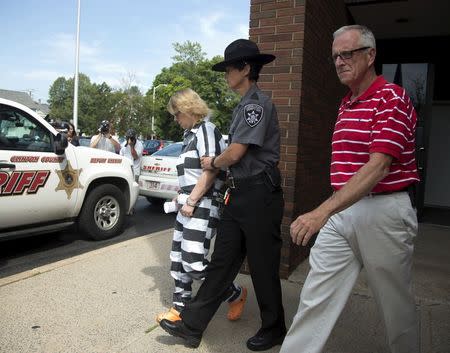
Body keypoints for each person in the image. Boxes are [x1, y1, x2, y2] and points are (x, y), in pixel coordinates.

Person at [280, 25, 420, 353]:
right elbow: (347, 174)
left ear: (370, 55)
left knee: (396, 308)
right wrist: (331, 210)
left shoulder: (393, 97)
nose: (340, 61)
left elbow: (378, 167)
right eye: (335, 57)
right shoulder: (346, 104)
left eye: (347, 53)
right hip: (342, 212)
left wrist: (320, 213)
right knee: (315, 298)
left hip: (383, 211)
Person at [159, 39, 286, 351]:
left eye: (230, 67)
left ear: (245, 68)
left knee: (262, 265)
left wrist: (213, 162)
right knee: (220, 264)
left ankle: (274, 327)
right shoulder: (243, 105)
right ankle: (191, 328)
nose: (226, 73)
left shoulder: (255, 105)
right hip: (239, 195)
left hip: (259, 194)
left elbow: (237, 152)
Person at [156, 88, 247, 324]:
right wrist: (184, 196)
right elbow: (193, 173)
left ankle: (235, 294)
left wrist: (193, 199)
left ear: (188, 109)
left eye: (176, 113)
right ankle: (179, 310)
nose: (175, 119)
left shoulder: (206, 129)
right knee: (178, 259)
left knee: (193, 261)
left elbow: (212, 168)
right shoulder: (190, 135)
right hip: (188, 203)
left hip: (202, 204)